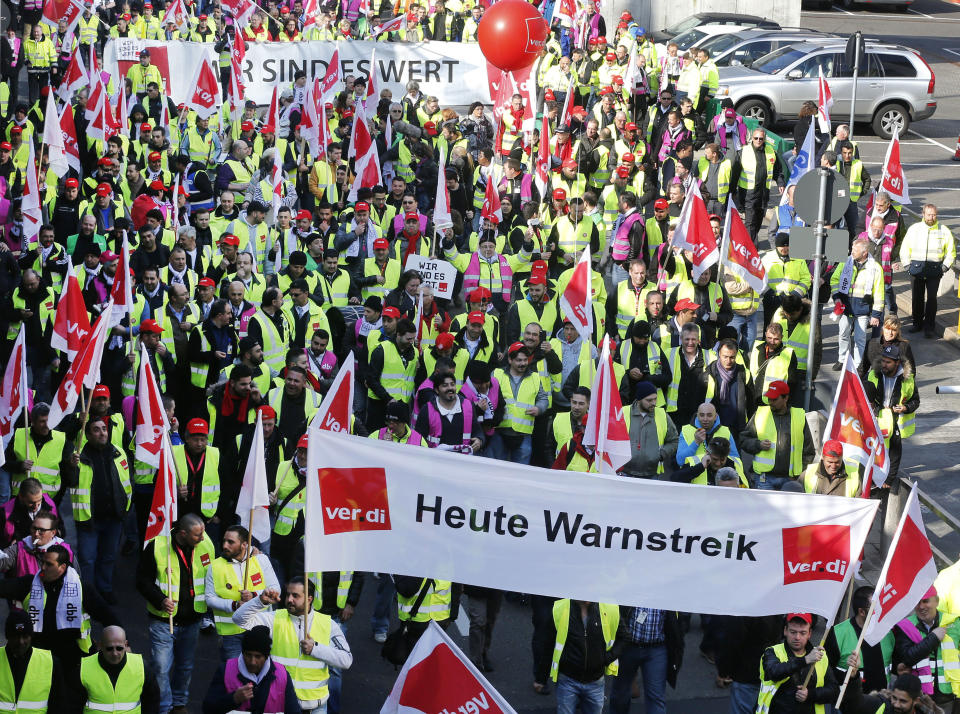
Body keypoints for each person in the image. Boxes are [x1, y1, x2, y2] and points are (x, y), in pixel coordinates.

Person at [233, 577, 354, 714]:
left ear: (309, 599)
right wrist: (259, 601)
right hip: (279, 705)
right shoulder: (274, 618)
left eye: (295, 596)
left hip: (315, 708)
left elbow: (346, 660)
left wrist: (316, 649)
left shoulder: (328, 624)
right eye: (288, 594)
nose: (289, 599)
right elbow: (239, 620)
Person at [137, 513, 217, 714]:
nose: (202, 538)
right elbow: (142, 581)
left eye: (203, 533)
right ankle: (164, 708)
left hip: (192, 620)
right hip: (163, 621)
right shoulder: (157, 546)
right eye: (197, 535)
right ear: (183, 533)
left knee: (185, 667)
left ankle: (179, 704)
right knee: (161, 669)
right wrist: (160, 600)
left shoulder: (205, 543)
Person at [67, 417, 131, 603]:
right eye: (96, 429)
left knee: (109, 557)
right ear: (87, 435)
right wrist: (71, 467)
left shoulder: (118, 453)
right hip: (89, 519)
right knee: (87, 559)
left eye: (104, 428)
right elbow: (69, 481)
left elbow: (127, 481)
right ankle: (88, 594)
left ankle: (105, 588)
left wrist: (125, 508)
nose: (102, 432)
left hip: (114, 517)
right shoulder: (78, 457)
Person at [206, 525, 281, 663]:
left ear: (244, 545)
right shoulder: (214, 566)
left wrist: (254, 595)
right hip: (231, 633)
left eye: (230, 542)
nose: (225, 545)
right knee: (233, 676)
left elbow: (276, 589)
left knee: (259, 672)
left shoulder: (261, 560)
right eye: (224, 541)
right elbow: (209, 599)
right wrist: (234, 605)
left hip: (258, 628)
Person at [202, 625, 302, 714]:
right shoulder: (225, 670)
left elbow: (294, 710)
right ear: (243, 652)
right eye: (248, 655)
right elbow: (208, 708)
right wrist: (233, 699)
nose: (252, 662)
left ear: (267, 656)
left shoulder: (282, 675)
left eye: (258, 657)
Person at [550, 599, 626, 714]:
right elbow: (547, 641)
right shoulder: (560, 608)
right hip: (567, 680)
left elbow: (624, 637)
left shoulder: (610, 609)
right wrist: (540, 677)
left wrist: (606, 659)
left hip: (595, 682)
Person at [740, 380, 815, 490]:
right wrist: (758, 444)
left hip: (789, 479)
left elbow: (808, 451)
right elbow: (743, 439)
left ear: (786, 398)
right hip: (764, 478)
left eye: (774, 399)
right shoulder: (760, 414)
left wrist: (799, 474)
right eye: (769, 398)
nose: (770, 402)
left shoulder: (799, 417)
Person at [758, 613, 838, 714]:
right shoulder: (772, 652)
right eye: (793, 632)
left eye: (803, 633)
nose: (797, 637)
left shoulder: (820, 656)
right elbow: (774, 672)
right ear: (785, 631)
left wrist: (810, 695)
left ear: (810, 634)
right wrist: (805, 660)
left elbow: (834, 691)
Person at [893, 588, 960, 707]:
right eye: (917, 602)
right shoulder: (905, 626)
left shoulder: (955, 623)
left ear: (937, 602)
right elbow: (907, 658)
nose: (921, 606)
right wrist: (933, 638)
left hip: (950, 694)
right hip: (919, 696)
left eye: (925, 601)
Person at [610, 607, 684, 714]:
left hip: (656, 648)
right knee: (620, 695)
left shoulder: (669, 590)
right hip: (627, 646)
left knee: (656, 697)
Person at [825, 586, 894, 695]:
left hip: (882, 704)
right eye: (875, 609)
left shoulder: (888, 632)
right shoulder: (838, 633)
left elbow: (894, 665)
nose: (880, 612)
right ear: (861, 611)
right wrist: (849, 675)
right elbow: (825, 671)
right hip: (849, 703)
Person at [899, 204, 955, 338]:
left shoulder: (944, 230)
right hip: (916, 269)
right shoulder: (915, 229)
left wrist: (944, 267)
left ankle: (929, 327)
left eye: (934, 214)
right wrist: (907, 266)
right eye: (929, 214)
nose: (932, 217)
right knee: (917, 298)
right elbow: (905, 248)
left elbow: (951, 252)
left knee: (931, 299)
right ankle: (917, 323)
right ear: (923, 214)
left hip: (934, 269)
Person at [864, 343, 918, 482]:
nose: (884, 364)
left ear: (897, 363)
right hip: (877, 417)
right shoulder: (872, 375)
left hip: (895, 420)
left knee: (894, 450)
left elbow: (915, 401)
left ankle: (888, 480)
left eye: (888, 362)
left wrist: (905, 408)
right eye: (883, 360)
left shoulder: (908, 379)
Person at [78, 625, 161, 714]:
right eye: (109, 648)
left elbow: (152, 702)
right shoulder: (83, 668)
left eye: (119, 648)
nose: (115, 653)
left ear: (125, 645)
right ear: (100, 645)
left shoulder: (142, 667)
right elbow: (73, 704)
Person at [830, 238, 884, 370]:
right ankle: (842, 360)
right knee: (843, 333)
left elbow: (879, 293)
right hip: (846, 307)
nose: (852, 252)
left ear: (865, 253)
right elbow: (835, 279)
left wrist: (876, 314)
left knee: (860, 338)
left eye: (855, 250)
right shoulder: (846, 263)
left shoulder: (876, 268)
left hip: (863, 309)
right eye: (852, 249)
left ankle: (859, 364)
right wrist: (837, 297)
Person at [620, 381, 678, 479]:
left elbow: (674, 440)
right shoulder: (623, 412)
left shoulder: (662, 415)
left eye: (655, 399)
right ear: (639, 400)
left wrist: (661, 454)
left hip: (652, 473)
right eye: (649, 400)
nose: (654, 403)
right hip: (624, 471)